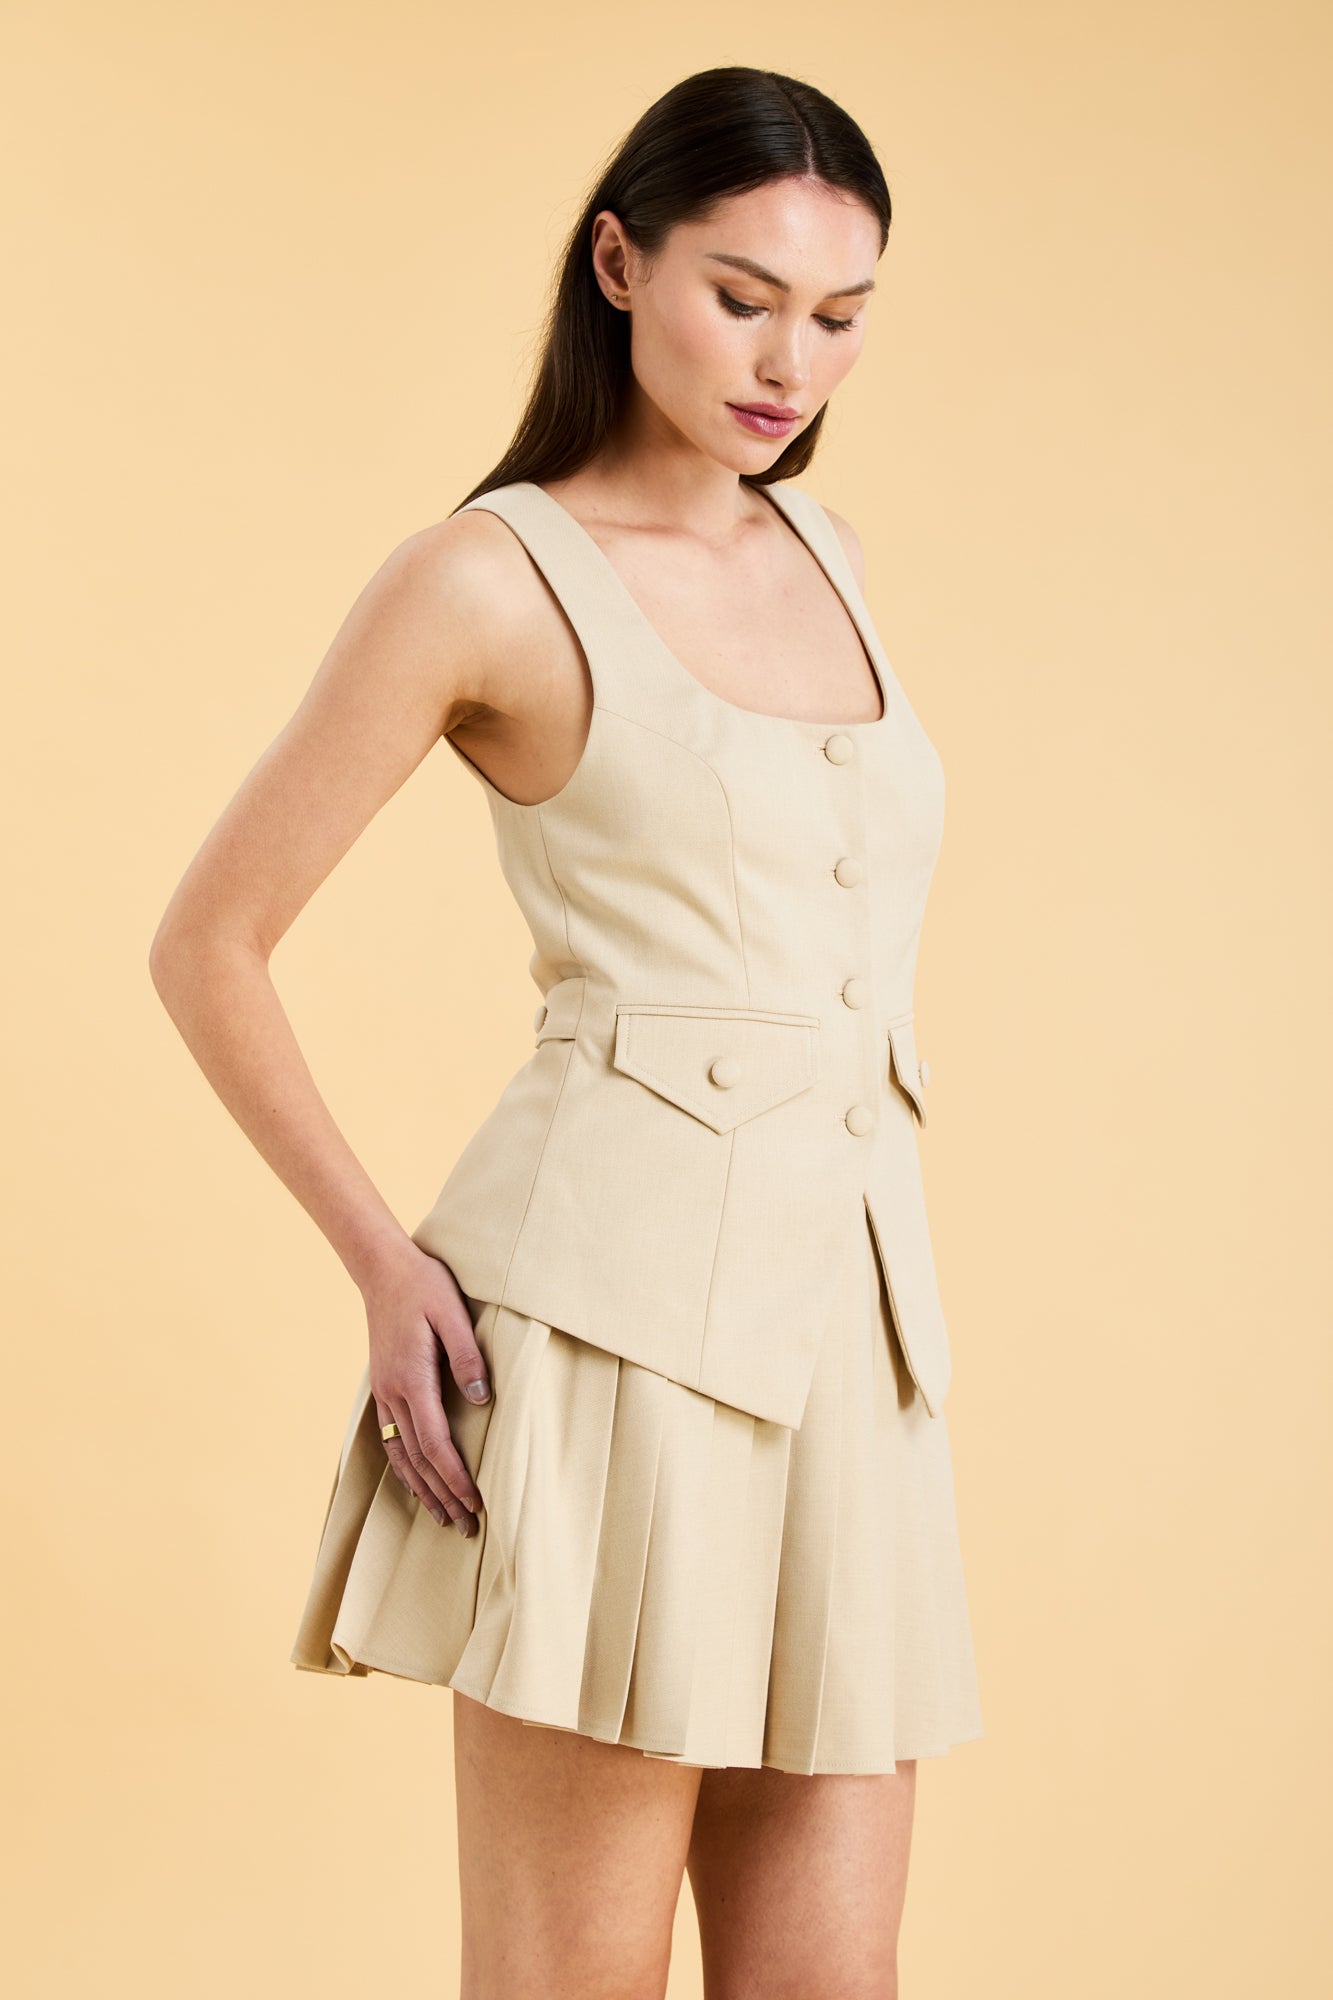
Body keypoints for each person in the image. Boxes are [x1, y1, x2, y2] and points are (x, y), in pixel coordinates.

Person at [150, 62, 982, 2000]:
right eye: (742, 294)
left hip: (857, 1350)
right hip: (613, 1343)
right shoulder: (486, 576)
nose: (792, 360)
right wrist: (378, 1259)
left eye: (840, 317)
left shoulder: (830, 554)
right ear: (617, 260)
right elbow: (210, 941)